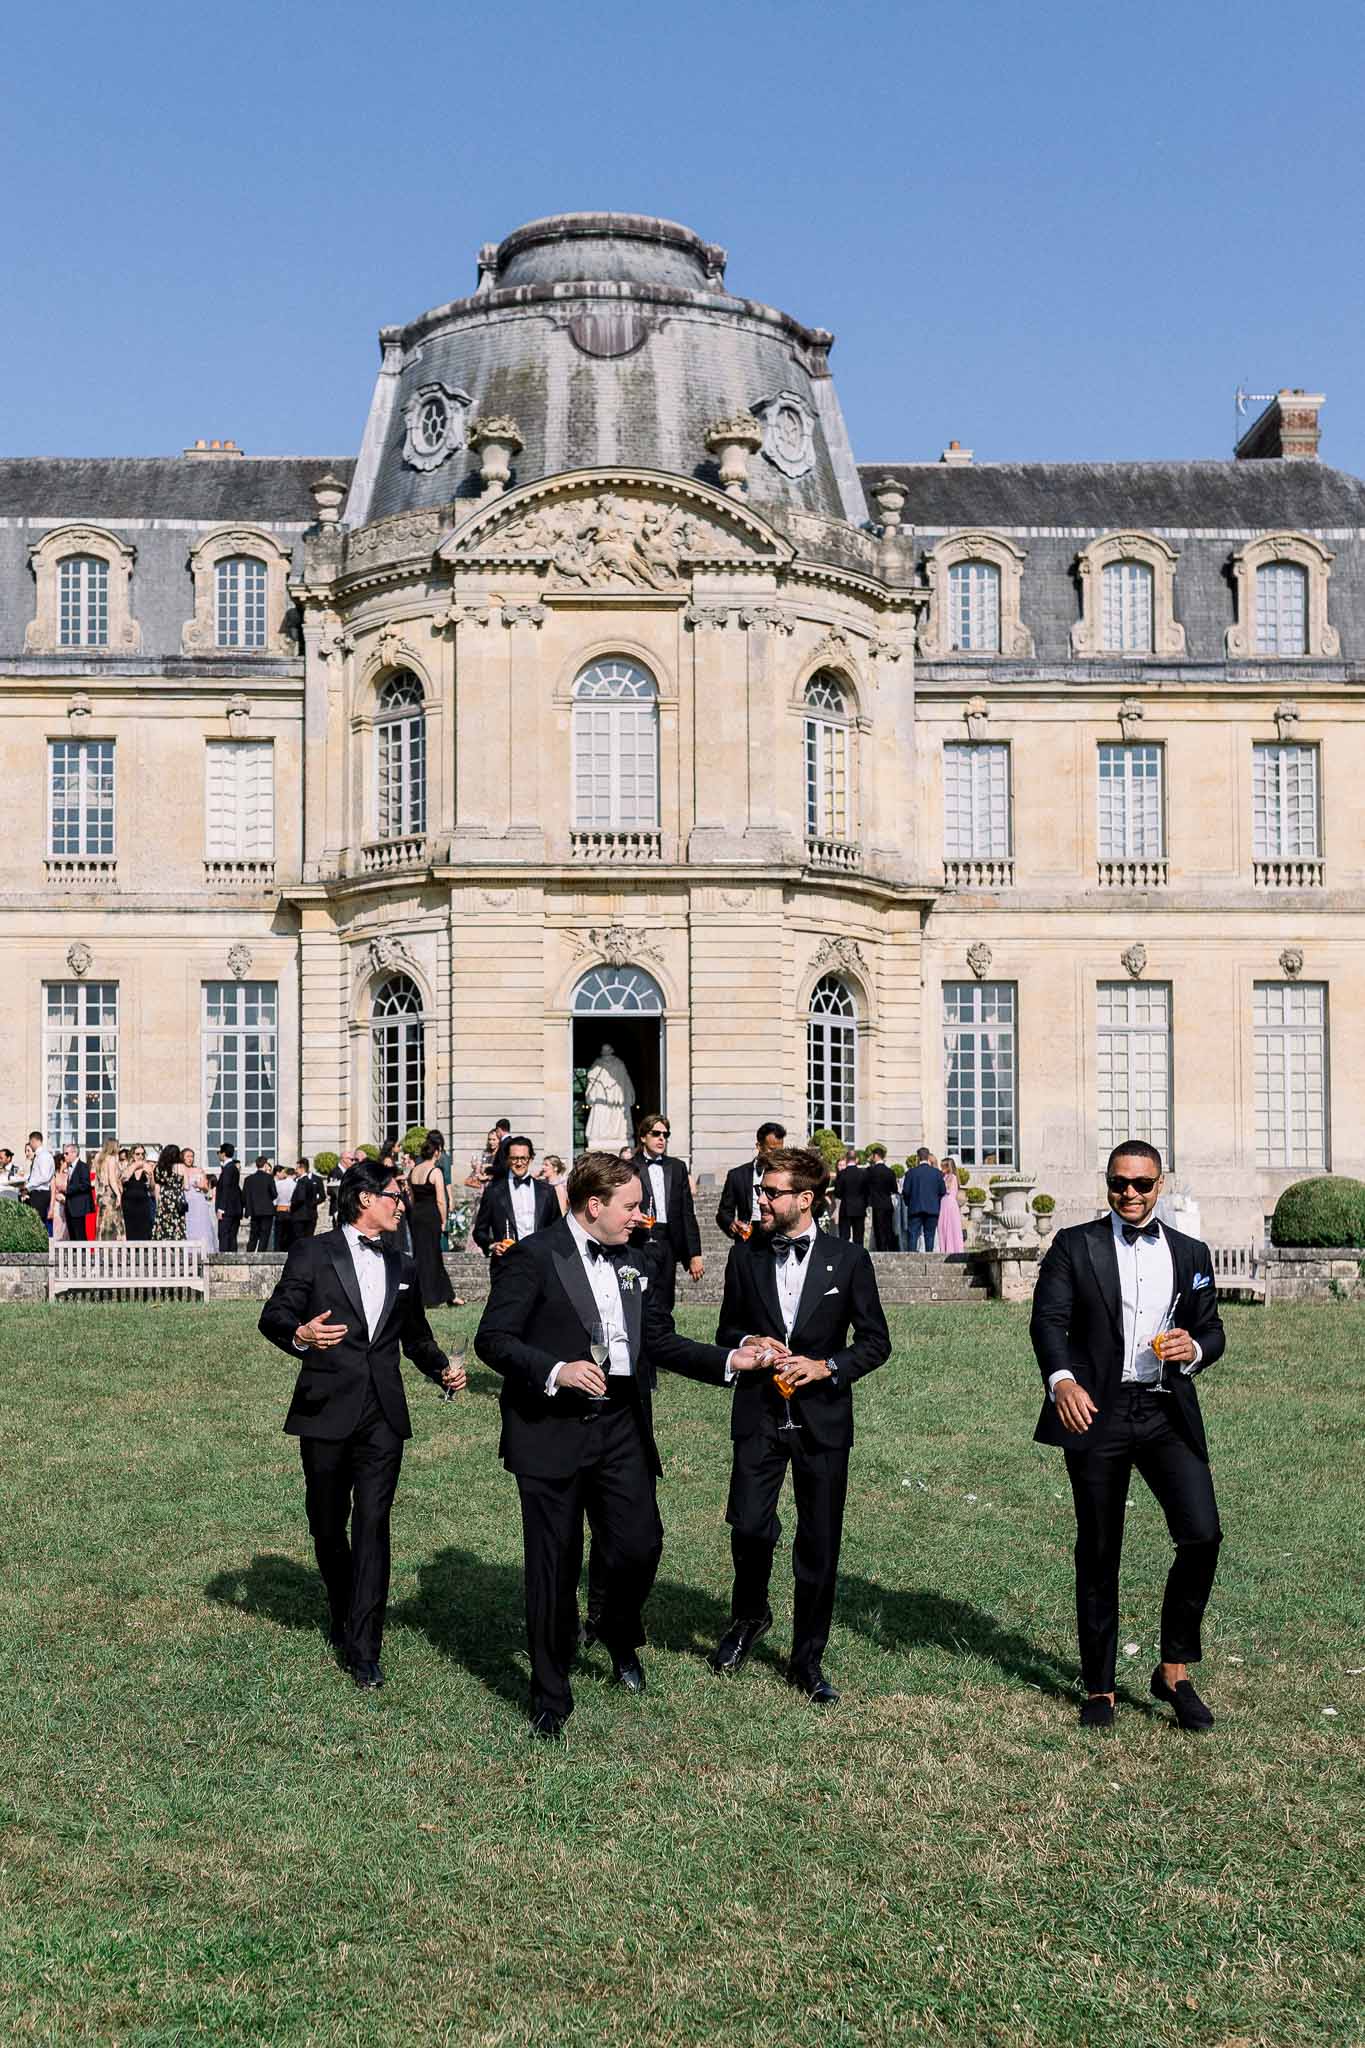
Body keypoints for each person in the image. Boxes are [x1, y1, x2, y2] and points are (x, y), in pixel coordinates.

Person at [474, 1151, 769, 1738]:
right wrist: (556, 1370)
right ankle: (551, 1695)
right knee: (553, 1566)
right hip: (549, 1428)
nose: (642, 1216)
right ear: (594, 1205)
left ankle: (615, 1628)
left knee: (639, 1544)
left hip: (622, 1425)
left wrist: (730, 1361)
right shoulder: (533, 1257)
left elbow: (659, 1340)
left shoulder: (639, 1260)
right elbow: (493, 1339)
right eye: (632, 1206)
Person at [1030, 1140, 1226, 1733]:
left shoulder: (1190, 1252)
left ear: (1160, 1185)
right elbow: (1048, 1321)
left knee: (1202, 1534)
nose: (1130, 1193)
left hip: (1166, 1411)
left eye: (1142, 1183)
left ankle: (1173, 1671)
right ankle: (1100, 1685)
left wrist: (1194, 1348)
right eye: (1120, 1183)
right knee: (1099, 1548)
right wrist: (1062, 1381)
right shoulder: (1075, 1245)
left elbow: (1212, 1329)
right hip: (1097, 1411)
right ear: (1108, 1184)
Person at [258, 1157, 466, 1690]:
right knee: (327, 1525)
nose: (403, 1204)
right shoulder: (313, 1252)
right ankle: (343, 1606)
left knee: (373, 1523)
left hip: (383, 1415)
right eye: (396, 1195)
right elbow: (274, 1315)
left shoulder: (404, 1264)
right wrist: (301, 1334)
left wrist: (441, 1367)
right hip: (325, 1408)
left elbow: (415, 1336)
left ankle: (365, 1647)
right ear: (365, 1199)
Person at [709, 1146, 891, 1705]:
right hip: (759, 1414)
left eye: (771, 1193)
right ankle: (749, 1617)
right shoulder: (744, 1257)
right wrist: (749, 1342)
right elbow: (726, 1332)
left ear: (805, 1199)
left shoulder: (849, 1259)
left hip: (822, 1420)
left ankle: (807, 1658)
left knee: (819, 1540)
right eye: (760, 1191)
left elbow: (876, 1342)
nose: (761, 1200)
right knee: (749, 1525)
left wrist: (826, 1366)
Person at [629, 1113, 703, 1314]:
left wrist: (694, 1253)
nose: (662, 1138)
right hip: (639, 1240)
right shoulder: (629, 1166)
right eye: (656, 1134)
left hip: (668, 1240)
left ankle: (664, 1331)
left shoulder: (677, 1167)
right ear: (643, 1137)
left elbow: (687, 1212)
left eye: (665, 1134)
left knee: (666, 1298)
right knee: (642, 1297)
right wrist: (634, 1218)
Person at [473, 1135, 561, 1257]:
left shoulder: (547, 1192)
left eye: (523, 1158)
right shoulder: (493, 1192)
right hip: (506, 1262)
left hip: (540, 1262)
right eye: (514, 1158)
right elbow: (479, 1231)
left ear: (531, 1159)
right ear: (507, 1159)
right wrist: (492, 1245)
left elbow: (558, 1228)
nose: (519, 1163)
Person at [407, 1136, 456, 1307]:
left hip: (417, 1215)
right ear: (436, 1152)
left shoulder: (414, 1171)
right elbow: (441, 1201)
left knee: (421, 1255)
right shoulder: (435, 1172)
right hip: (431, 1216)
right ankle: (433, 1296)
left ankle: (438, 1295)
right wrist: (443, 1220)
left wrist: (415, 1213)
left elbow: (411, 1197)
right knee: (433, 1255)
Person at [716, 1122, 787, 1240]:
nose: (777, 1155)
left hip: (780, 1238)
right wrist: (732, 1224)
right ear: (759, 1146)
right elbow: (724, 1212)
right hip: (747, 1237)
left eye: (780, 1151)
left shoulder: (788, 1173)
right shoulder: (736, 1175)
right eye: (772, 1149)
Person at [901, 1148, 947, 1253]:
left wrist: (909, 1203)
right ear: (928, 1157)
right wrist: (935, 1202)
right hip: (932, 1208)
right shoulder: (937, 1173)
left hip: (915, 1208)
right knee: (930, 1236)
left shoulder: (911, 1172)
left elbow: (906, 1191)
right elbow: (942, 1191)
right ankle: (929, 1258)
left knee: (913, 1235)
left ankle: (911, 1258)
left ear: (918, 1158)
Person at [181, 1148, 218, 1253]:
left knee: (201, 1225)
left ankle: (204, 1250)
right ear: (183, 1157)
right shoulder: (179, 1169)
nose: (190, 1159)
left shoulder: (198, 1170)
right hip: (185, 1201)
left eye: (192, 1156)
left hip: (198, 1200)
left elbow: (206, 1189)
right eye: (188, 1156)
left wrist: (201, 1186)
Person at [863, 1146, 899, 1252]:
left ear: (876, 1156)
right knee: (888, 1228)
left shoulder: (870, 1171)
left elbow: (865, 1187)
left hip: (876, 1203)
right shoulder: (890, 1171)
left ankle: (881, 1249)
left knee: (878, 1229)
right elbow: (894, 1189)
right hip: (887, 1203)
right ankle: (890, 1249)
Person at [152, 1144, 187, 1241]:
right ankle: (178, 1242)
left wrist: (158, 1203)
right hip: (177, 1197)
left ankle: (162, 1242)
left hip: (164, 1197)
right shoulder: (181, 1167)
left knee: (162, 1222)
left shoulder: (159, 1167)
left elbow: (157, 1186)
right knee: (178, 1222)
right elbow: (186, 1186)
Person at [243, 1156, 277, 1252]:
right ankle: (261, 1254)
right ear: (265, 1165)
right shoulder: (269, 1178)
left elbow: (244, 1196)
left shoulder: (248, 1179)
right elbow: (274, 1194)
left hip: (254, 1211)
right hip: (267, 1211)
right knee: (264, 1236)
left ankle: (249, 1254)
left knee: (253, 1235)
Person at [62, 1144, 96, 1242]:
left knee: (80, 1236)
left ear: (74, 1153)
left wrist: (68, 1189)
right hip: (69, 1207)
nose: (64, 1156)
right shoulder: (68, 1167)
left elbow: (85, 1185)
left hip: (79, 1207)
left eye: (66, 1153)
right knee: (72, 1237)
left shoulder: (83, 1166)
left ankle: (84, 1252)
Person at [121, 1146, 156, 1240]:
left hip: (143, 1201)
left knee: (144, 1228)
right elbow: (123, 1180)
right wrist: (135, 1166)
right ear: (132, 1155)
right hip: (129, 1201)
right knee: (130, 1227)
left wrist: (150, 1177)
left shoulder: (147, 1166)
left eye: (142, 1154)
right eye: (137, 1154)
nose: (140, 1156)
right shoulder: (127, 1166)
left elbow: (152, 1188)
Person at [23, 1130, 55, 1232]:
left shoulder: (43, 1155)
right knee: (34, 1223)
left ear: (34, 1141)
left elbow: (44, 1177)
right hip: (36, 1193)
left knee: (37, 1224)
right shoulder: (39, 1155)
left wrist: (28, 1185)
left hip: (40, 1194)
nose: (30, 1145)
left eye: (30, 1142)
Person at [835, 1151, 868, 1245]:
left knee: (844, 1237)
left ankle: (845, 1254)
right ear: (856, 1160)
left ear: (846, 1159)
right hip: (860, 1208)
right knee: (859, 1237)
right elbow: (867, 1192)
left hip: (846, 1207)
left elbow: (837, 1193)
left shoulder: (842, 1174)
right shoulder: (863, 1173)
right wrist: (864, 1204)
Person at [94, 1140, 124, 1240]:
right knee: (112, 1223)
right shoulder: (111, 1159)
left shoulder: (99, 1159)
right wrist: (118, 1194)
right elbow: (112, 1179)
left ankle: (102, 1244)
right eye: (118, 1146)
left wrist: (97, 1195)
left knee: (103, 1223)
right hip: (110, 1193)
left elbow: (97, 1181)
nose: (119, 1149)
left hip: (102, 1193)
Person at [215, 1143, 243, 1251]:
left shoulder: (228, 1168)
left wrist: (221, 1208)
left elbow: (226, 1189)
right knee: (231, 1237)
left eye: (219, 1152)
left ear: (223, 1154)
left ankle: (224, 1259)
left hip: (227, 1209)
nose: (218, 1155)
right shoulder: (233, 1168)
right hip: (234, 1208)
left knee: (224, 1235)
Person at [289, 1158, 324, 1243]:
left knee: (299, 1239)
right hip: (310, 1214)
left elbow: (300, 1198)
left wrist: (292, 1206)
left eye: (297, 1168)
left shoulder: (302, 1181)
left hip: (300, 1214)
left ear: (302, 1168)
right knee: (308, 1239)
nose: (296, 1171)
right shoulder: (308, 1181)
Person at [936, 1156, 965, 1255]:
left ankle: (952, 1248)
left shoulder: (952, 1177)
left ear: (948, 1167)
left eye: (943, 1166)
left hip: (950, 1203)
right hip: (944, 1203)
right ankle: (944, 1248)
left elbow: (947, 1189)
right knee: (942, 1226)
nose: (941, 1168)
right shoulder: (945, 1177)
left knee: (950, 1226)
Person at [273, 1162, 299, 1253]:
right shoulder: (295, 1184)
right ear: (293, 1175)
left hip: (279, 1209)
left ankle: (277, 1252)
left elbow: (274, 1198)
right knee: (289, 1234)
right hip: (290, 1210)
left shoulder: (278, 1184)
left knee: (278, 1235)